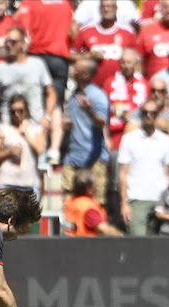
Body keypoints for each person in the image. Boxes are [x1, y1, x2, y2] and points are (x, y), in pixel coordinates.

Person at [119, 98, 169, 235]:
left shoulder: (166, 141)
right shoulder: (129, 139)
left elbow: (168, 172)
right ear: (141, 114)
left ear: (157, 114)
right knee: (138, 243)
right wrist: (124, 203)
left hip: (160, 199)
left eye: (153, 113)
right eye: (145, 112)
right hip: (136, 199)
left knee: (158, 245)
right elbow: (123, 173)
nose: (149, 116)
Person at [62, 57, 110, 206]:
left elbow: (102, 122)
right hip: (74, 156)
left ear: (86, 75)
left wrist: (89, 111)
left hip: (94, 159)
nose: (72, 71)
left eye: (76, 69)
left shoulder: (97, 96)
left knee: (96, 203)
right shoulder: (74, 94)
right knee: (69, 201)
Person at [0, 94, 44, 200]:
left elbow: (40, 150)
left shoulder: (36, 129)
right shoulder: (4, 129)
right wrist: (8, 152)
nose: (16, 114)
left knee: (29, 216)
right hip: (8, 181)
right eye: (13, 111)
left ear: (26, 110)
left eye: (20, 110)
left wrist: (26, 134)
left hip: (29, 183)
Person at [63, 169, 122, 236]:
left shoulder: (69, 202)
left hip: (70, 242)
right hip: (87, 244)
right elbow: (103, 229)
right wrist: (121, 236)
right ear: (89, 190)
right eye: (96, 185)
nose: (97, 187)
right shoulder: (89, 208)